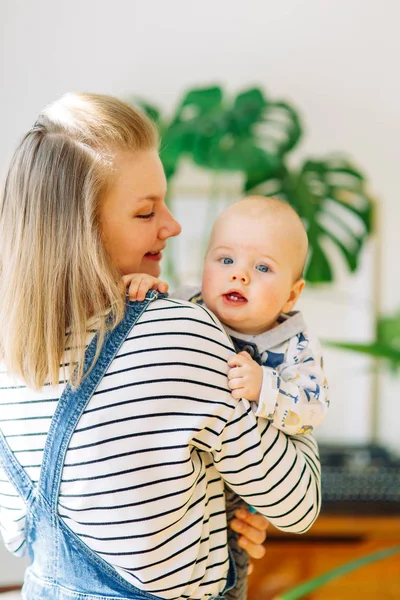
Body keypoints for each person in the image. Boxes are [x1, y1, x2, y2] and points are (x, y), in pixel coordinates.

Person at [0, 93, 321, 600]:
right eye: (146, 212)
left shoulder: (9, 355)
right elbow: (298, 501)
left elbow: (21, 532)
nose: (171, 226)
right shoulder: (180, 334)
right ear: (81, 231)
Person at [124, 195, 329, 600]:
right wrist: (147, 288)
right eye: (225, 260)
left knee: (230, 573)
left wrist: (265, 385)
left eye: (263, 267)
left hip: (240, 506)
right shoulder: (185, 307)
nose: (239, 276)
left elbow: (312, 408)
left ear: (292, 295)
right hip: (183, 495)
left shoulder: (294, 346)